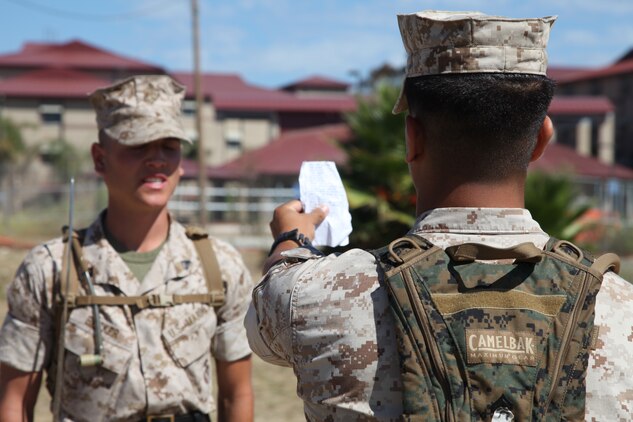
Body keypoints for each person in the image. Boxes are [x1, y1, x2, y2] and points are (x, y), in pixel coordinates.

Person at [245, 10, 633, 421]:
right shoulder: (621, 310)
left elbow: (264, 325)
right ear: (541, 139)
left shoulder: (314, 295)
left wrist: (291, 243)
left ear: (412, 139)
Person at [0, 75, 254, 422]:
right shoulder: (52, 269)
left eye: (169, 145)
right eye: (139, 145)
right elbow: (14, 403)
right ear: (100, 159)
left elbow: (236, 395)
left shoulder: (217, 265)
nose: (157, 160)